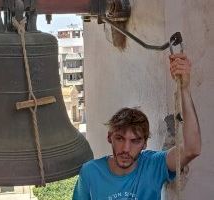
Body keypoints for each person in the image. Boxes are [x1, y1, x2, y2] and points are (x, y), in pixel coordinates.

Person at [72, 53, 201, 200]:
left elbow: (192, 149)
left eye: (135, 141)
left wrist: (184, 88)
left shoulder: (154, 166)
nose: (126, 149)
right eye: (120, 138)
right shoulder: (90, 172)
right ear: (109, 137)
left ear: (145, 143)